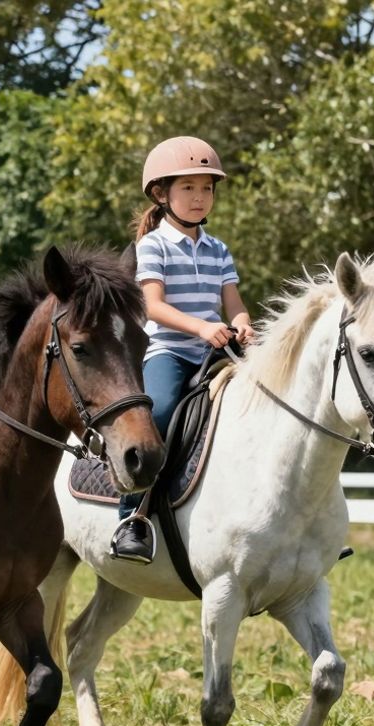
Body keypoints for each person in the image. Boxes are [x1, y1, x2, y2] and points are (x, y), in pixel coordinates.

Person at [109, 135, 255, 564]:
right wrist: (202, 327)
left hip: (214, 351)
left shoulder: (218, 249)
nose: (199, 198)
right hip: (170, 350)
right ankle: (131, 517)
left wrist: (243, 325)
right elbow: (153, 305)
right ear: (161, 193)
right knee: (158, 415)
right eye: (188, 187)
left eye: (206, 188)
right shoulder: (152, 245)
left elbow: (234, 304)